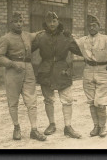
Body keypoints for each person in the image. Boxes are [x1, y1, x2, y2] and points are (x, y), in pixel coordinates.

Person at [0, 12, 46, 141]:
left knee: (32, 101)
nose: (19, 23)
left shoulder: (27, 35)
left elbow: (38, 34)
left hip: (28, 70)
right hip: (13, 71)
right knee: (13, 101)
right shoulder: (5, 38)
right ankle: (16, 127)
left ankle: (34, 130)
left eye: (21, 21)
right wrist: (11, 64)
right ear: (10, 23)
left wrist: (51, 29)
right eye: (16, 21)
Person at [32, 11, 83, 139]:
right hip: (46, 71)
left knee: (67, 99)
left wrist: (76, 39)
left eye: (54, 21)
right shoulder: (41, 37)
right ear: (46, 23)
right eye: (49, 21)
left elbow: (80, 50)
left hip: (62, 71)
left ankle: (68, 127)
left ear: (58, 21)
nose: (52, 24)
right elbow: (28, 49)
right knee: (48, 99)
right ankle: (51, 124)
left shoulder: (66, 36)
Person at [75, 14, 107, 137]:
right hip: (88, 70)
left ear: (99, 26)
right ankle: (96, 126)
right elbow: (71, 42)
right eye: (89, 26)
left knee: (101, 102)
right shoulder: (83, 40)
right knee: (92, 102)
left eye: (94, 25)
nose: (92, 27)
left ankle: (103, 127)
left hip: (104, 71)